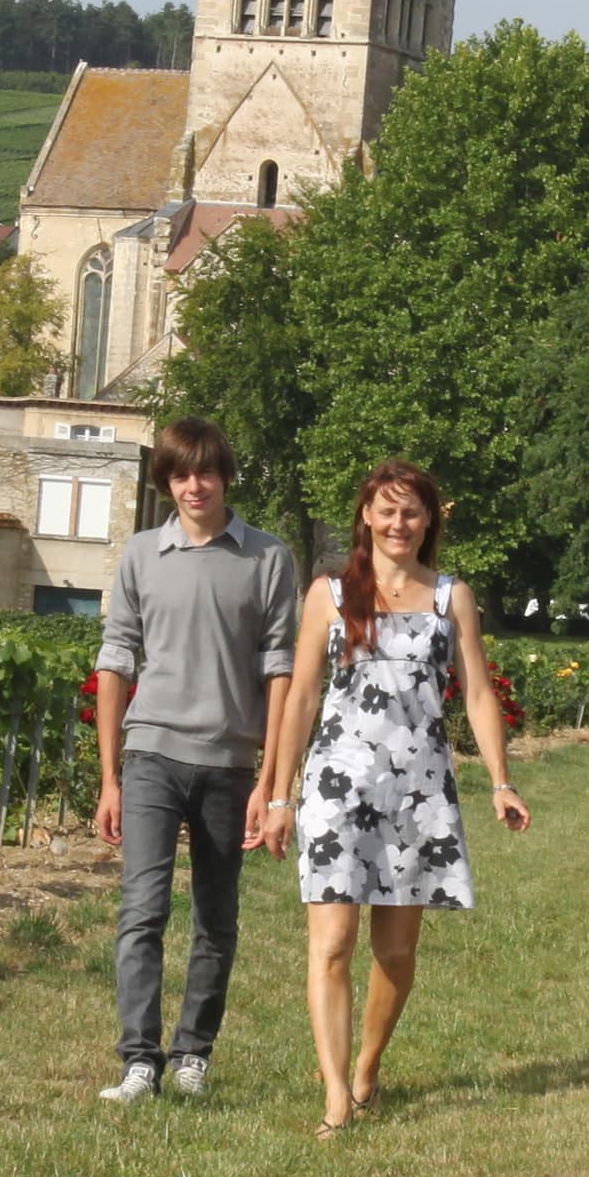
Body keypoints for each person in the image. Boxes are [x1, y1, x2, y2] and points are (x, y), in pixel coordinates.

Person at [251, 461, 531, 1135]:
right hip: (336, 788)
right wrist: (280, 794)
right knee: (332, 943)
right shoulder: (329, 594)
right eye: (385, 511)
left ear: (429, 521)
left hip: (420, 793)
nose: (397, 524)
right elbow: (301, 698)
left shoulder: (451, 597)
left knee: (396, 953)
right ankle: (335, 1099)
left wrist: (501, 779)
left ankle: (367, 1069)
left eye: (411, 512)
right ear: (365, 518)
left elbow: (480, 693)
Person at [91, 418, 301, 1103]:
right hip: (150, 754)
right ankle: (138, 1062)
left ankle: (192, 1055)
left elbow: (281, 673)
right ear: (167, 482)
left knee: (217, 917)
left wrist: (271, 781)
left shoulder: (268, 559)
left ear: (225, 476)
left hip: (231, 764)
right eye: (181, 475)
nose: (194, 486)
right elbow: (115, 660)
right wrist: (109, 779)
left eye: (205, 472)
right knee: (141, 912)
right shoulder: (141, 555)